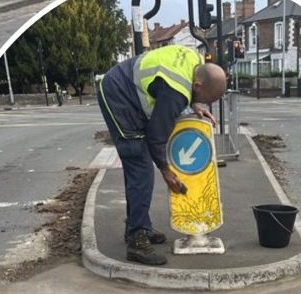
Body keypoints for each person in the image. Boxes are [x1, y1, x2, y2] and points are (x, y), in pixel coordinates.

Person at [96, 44, 226, 266]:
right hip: (118, 96)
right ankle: (136, 240)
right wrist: (167, 171)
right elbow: (157, 137)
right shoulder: (175, 92)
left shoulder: (194, 59)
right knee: (140, 164)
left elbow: (187, 87)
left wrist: (194, 103)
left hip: (124, 84)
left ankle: (139, 227)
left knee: (140, 165)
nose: (205, 103)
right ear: (197, 84)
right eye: (205, 98)